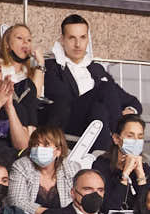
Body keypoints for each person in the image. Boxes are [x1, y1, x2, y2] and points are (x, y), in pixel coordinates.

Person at [43, 13, 141, 146]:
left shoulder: (96, 69)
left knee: (99, 109)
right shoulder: (52, 67)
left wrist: (130, 110)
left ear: (88, 39)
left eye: (82, 37)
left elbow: (132, 101)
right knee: (104, 89)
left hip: (97, 123)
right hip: (69, 122)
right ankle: (119, 138)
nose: (78, 44)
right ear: (62, 40)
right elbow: (62, 99)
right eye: (72, 38)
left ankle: (104, 156)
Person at [9, 126, 81, 214]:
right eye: (35, 145)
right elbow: (17, 201)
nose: (39, 148)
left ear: (58, 150)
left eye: (46, 144)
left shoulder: (71, 168)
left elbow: (78, 201)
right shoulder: (21, 166)